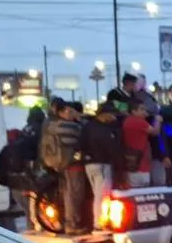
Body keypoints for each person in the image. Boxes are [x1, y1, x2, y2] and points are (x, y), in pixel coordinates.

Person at [39, 98, 87, 235]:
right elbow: (82, 132)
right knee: (74, 195)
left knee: (65, 194)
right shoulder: (67, 126)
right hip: (71, 164)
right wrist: (79, 118)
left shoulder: (49, 124)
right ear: (63, 111)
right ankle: (72, 225)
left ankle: (62, 221)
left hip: (56, 164)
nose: (72, 113)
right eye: (70, 111)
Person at [79, 103, 122, 232]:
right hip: (102, 163)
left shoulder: (88, 126)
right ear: (104, 115)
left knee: (97, 194)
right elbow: (111, 147)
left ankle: (98, 222)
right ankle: (99, 223)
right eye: (112, 114)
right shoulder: (105, 129)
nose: (114, 116)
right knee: (103, 195)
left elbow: (81, 145)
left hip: (89, 164)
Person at [122, 100, 161, 188]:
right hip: (140, 165)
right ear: (133, 111)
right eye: (142, 109)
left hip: (133, 163)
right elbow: (155, 132)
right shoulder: (138, 122)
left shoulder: (128, 121)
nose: (145, 112)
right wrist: (157, 121)